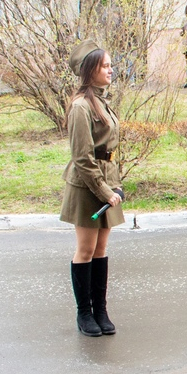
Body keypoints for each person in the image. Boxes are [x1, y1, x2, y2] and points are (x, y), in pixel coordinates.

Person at [59, 40, 124, 338]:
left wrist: (116, 185)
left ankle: (100, 309)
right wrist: (105, 191)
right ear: (89, 71)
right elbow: (83, 159)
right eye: (105, 65)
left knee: (101, 249)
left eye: (110, 64)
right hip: (88, 187)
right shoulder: (81, 107)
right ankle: (84, 313)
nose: (111, 69)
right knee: (85, 250)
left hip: (107, 184)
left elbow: (110, 150)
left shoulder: (101, 101)